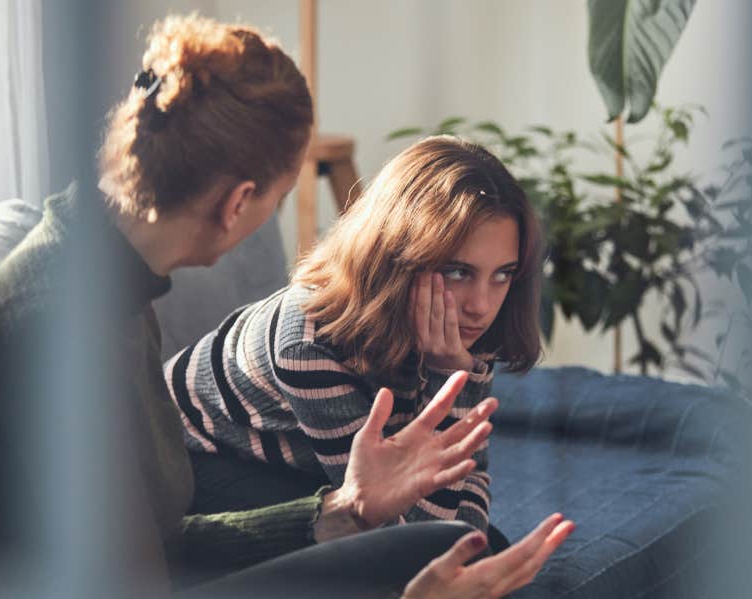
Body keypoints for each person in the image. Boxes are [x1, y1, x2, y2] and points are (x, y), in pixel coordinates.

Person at [0, 14, 571, 598]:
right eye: (279, 194)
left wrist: (344, 508)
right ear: (240, 203)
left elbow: (161, 544)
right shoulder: (57, 326)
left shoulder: (105, 287)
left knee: (456, 549)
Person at [166, 135, 544, 551]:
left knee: (487, 549)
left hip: (311, 464)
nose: (481, 304)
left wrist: (452, 372)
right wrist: (450, 378)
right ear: (400, 255)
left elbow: (464, 487)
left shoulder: (467, 323)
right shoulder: (309, 341)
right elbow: (399, 530)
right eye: (458, 271)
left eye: (503, 274)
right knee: (398, 557)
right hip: (196, 461)